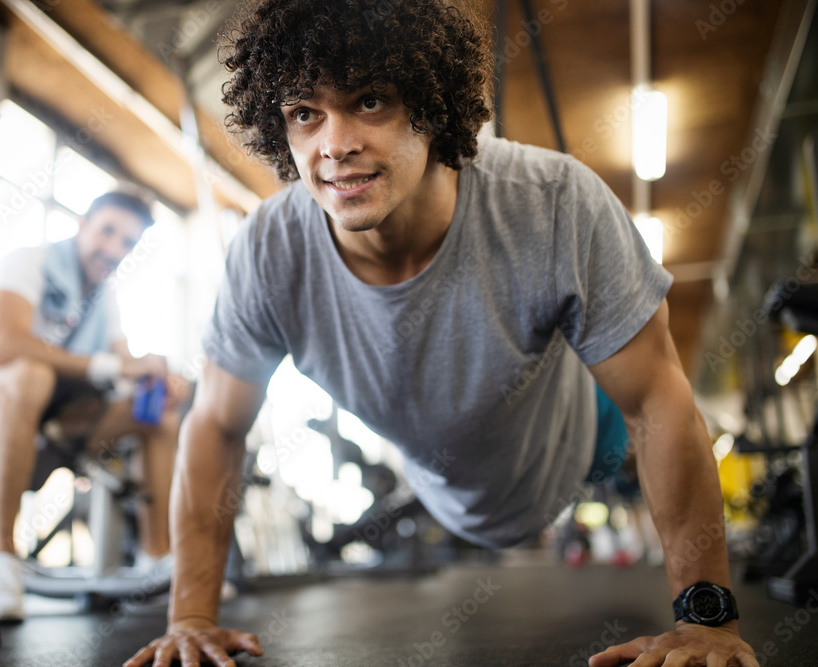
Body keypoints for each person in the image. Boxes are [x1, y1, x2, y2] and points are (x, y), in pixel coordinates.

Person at [125, 1, 760, 665]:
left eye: (370, 100)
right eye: (305, 113)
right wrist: (190, 616)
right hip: (443, 483)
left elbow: (656, 399)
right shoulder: (268, 253)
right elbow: (215, 425)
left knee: (633, 420)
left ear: (432, 107)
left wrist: (705, 617)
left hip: (581, 436)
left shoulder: (553, 200)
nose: (334, 143)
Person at [0, 190, 183, 621]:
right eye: (107, 231)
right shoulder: (27, 262)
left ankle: (156, 563)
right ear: (82, 225)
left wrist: (156, 377)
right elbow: (7, 348)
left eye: (127, 243)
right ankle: (1, 563)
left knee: (158, 415)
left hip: (37, 432)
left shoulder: (103, 298)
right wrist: (116, 366)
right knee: (27, 372)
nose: (113, 249)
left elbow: (122, 366)